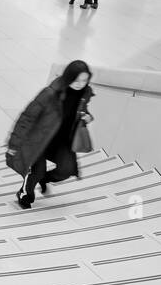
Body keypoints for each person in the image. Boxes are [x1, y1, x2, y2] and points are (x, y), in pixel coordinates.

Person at [7, 60, 95, 209]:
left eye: (84, 80)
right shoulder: (50, 94)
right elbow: (27, 117)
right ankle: (25, 193)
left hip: (62, 142)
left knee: (67, 170)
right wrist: (13, 145)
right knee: (37, 171)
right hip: (40, 140)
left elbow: (80, 111)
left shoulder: (84, 94)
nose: (80, 84)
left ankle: (43, 179)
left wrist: (87, 116)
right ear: (68, 77)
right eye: (76, 79)